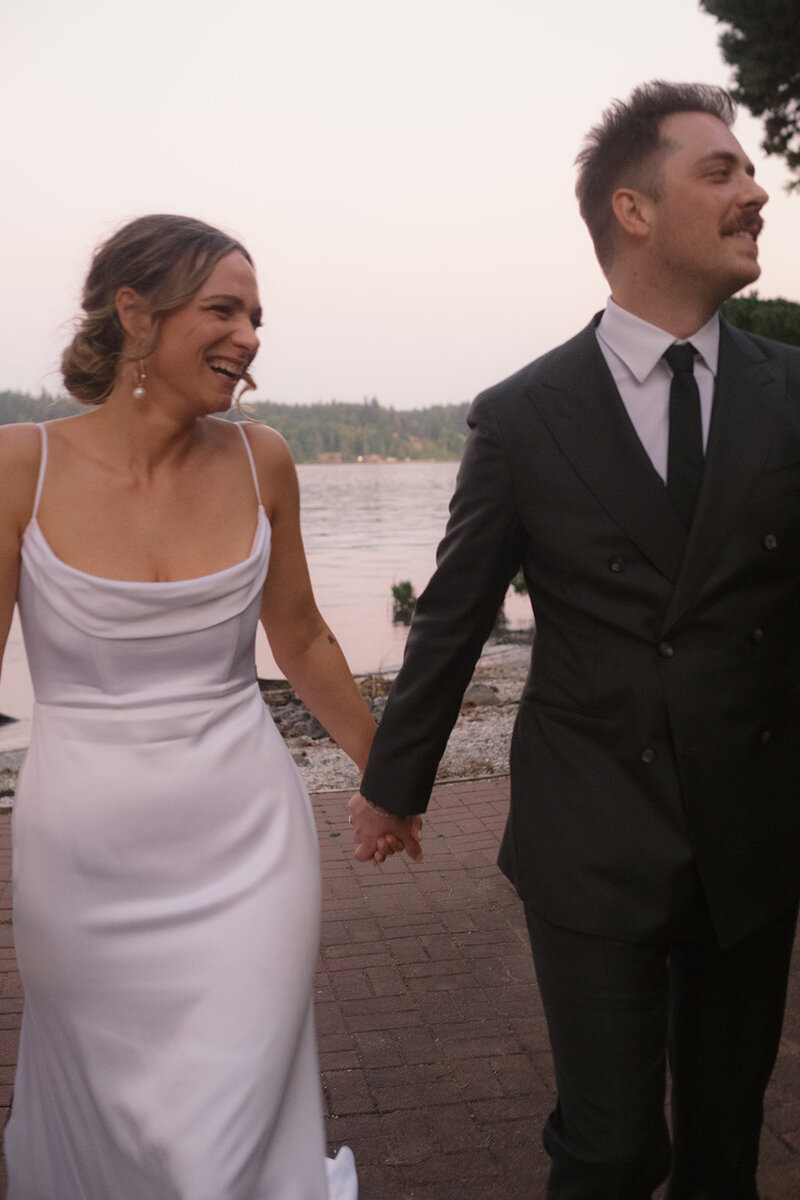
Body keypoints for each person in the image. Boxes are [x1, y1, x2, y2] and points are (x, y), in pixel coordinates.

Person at [349, 81, 800, 1198]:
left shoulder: (791, 393)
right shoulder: (522, 413)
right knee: (606, 1149)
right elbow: (453, 613)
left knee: (720, 1146)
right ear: (631, 210)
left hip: (751, 827)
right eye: (721, 172)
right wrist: (392, 783)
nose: (755, 193)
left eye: (751, 171)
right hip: (591, 831)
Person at [0, 214, 376, 1199]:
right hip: (81, 865)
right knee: (117, 1127)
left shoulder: (264, 460)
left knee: (224, 1138)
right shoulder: (18, 468)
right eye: (223, 309)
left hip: (249, 849)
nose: (248, 336)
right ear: (135, 312)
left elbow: (302, 640)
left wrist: (391, 774)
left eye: (255, 316)